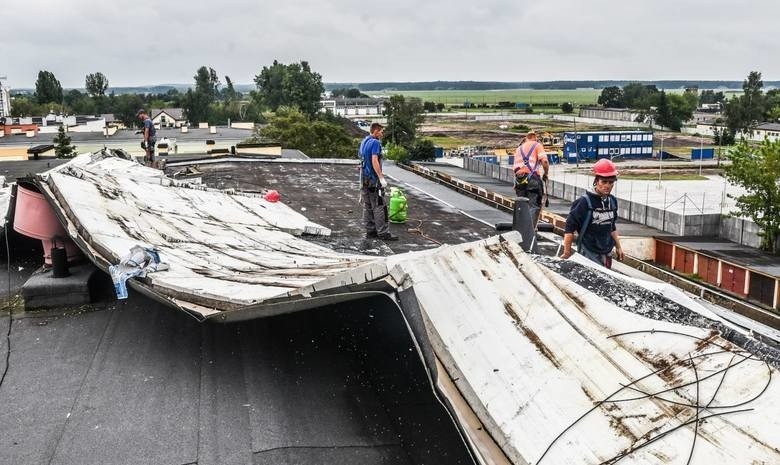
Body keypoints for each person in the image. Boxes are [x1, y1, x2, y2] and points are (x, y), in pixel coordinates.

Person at [560, 159, 625, 268]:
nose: (607, 186)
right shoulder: (584, 202)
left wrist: (618, 247)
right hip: (588, 251)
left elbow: (612, 227)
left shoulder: (612, 201)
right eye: (604, 182)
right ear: (596, 181)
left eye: (611, 182)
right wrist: (567, 252)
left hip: (606, 251)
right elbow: (569, 229)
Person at [359, 123, 397, 241]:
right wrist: (381, 177)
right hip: (373, 180)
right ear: (375, 131)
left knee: (368, 205)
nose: (382, 134)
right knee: (379, 205)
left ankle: (370, 231)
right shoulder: (375, 143)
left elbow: (361, 160)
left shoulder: (364, 141)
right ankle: (383, 233)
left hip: (364, 178)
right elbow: (374, 160)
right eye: (381, 131)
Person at [512, 130, 549, 228]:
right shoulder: (537, 145)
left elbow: (515, 168)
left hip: (519, 180)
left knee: (522, 206)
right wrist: (545, 174)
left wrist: (515, 184)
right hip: (532, 179)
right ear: (535, 137)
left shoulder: (519, 149)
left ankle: (520, 230)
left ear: (526, 138)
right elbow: (544, 161)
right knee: (534, 206)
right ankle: (530, 232)